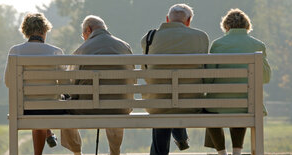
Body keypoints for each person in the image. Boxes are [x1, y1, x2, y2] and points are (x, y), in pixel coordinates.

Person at [4, 13, 82, 155]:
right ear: (44, 30)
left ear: (25, 31)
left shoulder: (15, 51)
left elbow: (9, 82)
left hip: (25, 109)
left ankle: (45, 140)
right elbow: (66, 87)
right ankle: (71, 147)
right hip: (52, 109)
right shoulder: (55, 51)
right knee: (52, 103)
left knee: (36, 107)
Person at [140, 4, 209, 155]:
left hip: (157, 103)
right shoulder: (201, 37)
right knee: (175, 96)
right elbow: (204, 70)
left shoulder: (149, 38)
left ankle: (168, 147)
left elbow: (145, 72)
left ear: (167, 19)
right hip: (191, 104)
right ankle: (181, 137)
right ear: (189, 20)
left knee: (162, 100)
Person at [203, 8, 271, 155]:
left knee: (208, 108)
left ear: (226, 26)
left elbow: (208, 79)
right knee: (244, 102)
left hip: (218, 106)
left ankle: (221, 152)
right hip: (247, 105)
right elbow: (265, 78)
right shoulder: (258, 45)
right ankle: (237, 152)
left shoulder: (217, 45)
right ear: (247, 26)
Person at [65, 15, 135, 155]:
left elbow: (70, 87)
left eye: (83, 35)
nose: (84, 38)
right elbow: (131, 81)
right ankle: (115, 152)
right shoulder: (124, 46)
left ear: (88, 30)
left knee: (64, 108)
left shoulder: (82, 50)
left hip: (87, 109)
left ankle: (77, 152)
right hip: (120, 108)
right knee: (117, 101)